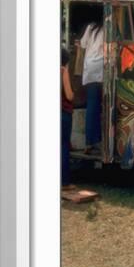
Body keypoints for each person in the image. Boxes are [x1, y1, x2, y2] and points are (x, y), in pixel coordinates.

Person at [78, 9, 104, 155]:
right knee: (97, 106)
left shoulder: (90, 27)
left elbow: (82, 44)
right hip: (100, 69)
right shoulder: (107, 28)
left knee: (92, 106)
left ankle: (91, 141)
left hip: (89, 69)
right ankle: (92, 141)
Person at [61, 47, 74, 190]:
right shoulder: (63, 71)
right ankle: (64, 182)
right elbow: (69, 95)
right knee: (63, 147)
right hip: (63, 114)